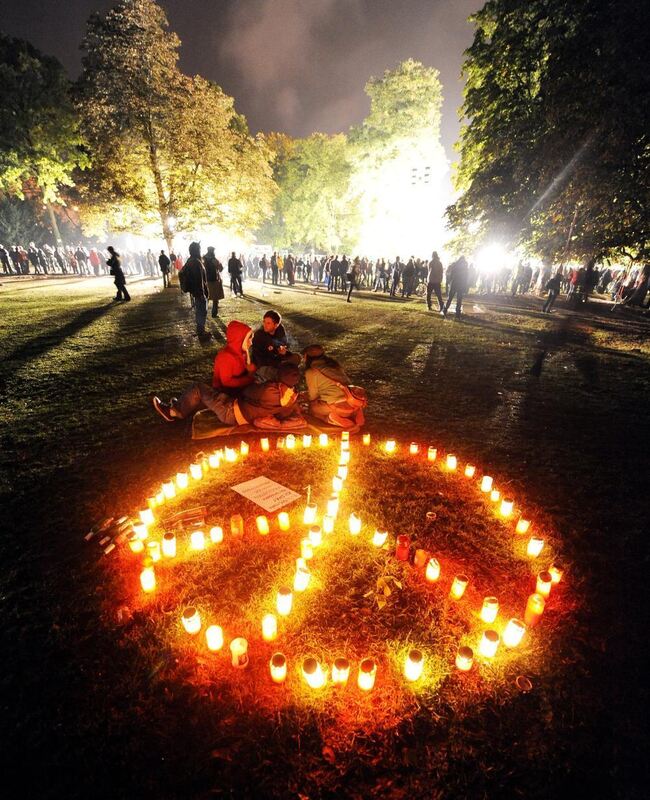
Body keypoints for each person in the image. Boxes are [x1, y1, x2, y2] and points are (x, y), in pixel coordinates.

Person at [152, 363, 302, 429]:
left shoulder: (270, 390)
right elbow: (283, 413)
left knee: (199, 388)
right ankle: (182, 404)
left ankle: (173, 412)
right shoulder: (292, 396)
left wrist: (256, 381)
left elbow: (247, 391)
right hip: (240, 414)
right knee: (211, 396)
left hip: (231, 412)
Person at [302, 344, 366, 430]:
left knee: (312, 409)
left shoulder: (311, 371)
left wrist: (307, 398)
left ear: (306, 357)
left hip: (335, 407)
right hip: (352, 403)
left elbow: (313, 396)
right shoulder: (334, 365)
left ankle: (330, 419)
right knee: (340, 402)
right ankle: (355, 414)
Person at [252, 310, 301, 378]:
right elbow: (260, 359)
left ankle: (286, 371)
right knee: (277, 374)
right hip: (264, 363)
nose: (265, 325)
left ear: (276, 325)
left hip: (277, 357)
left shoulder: (280, 329)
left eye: (268, 323)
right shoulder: (259, 335)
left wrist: (283, 351)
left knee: (296, 357)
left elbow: (283, 344)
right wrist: (280, 357)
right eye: (264, 322)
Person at [212, 320, 257, 394]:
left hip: (237, 388)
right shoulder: (225, 357)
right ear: (239, 339)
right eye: (249, 339)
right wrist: (248, 379)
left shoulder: (242, 352)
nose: (251, 343)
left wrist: (249, 368)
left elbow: (241, 369)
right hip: (224, 393)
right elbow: (226, 382)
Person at [179, 242, 210, 340]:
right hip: (199, 292)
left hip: (196, 292)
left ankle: (201, 330)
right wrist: (202, 294)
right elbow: (199, 279)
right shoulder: (196, 262)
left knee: (200, 311)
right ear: (197, 250)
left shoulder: (190, 261)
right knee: (201, 312)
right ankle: (201, 331)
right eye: (199, 249)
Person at [204, 246, 224, 317]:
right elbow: (221, 269)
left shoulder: (203, 259)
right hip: (214, 281)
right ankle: (214, 313)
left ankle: (204, 313)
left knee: (206, 298)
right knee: (215, 299)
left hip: (205, 281)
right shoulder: (214, 260)